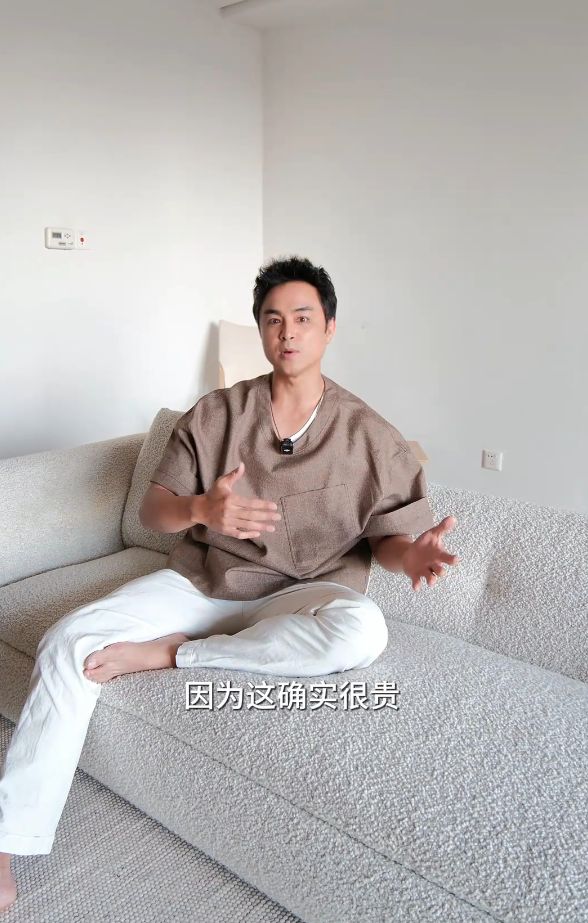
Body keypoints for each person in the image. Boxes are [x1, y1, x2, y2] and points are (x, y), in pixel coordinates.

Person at [0, 255, 459, 911]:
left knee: (363, 630)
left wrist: (409, 556)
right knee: (68, 640)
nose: (287, 332)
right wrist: (201, 510)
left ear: (329, 327)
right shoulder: (216, 414)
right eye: (273, 319)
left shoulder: (370, 436)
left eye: (302, 317)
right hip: (203, 582)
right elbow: (152, 510)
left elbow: (386, 539)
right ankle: (8, 841)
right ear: (261, 329)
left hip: (302, 595)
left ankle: (176, 653)